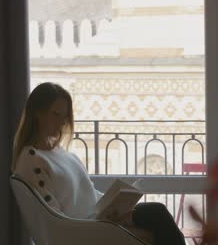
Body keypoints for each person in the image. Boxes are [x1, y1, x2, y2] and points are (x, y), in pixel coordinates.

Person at [11, 82, 186, 245]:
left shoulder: (64, 154)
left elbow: (89, 192)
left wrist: (116, 204)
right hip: (84, 229)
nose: (62, 122)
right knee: (158, 220)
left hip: (99, 219)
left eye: (65, 116)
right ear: (37, 113)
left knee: (157, 212)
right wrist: (101, 221)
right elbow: (52, 216)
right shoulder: (32, 159)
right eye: (56, 114)